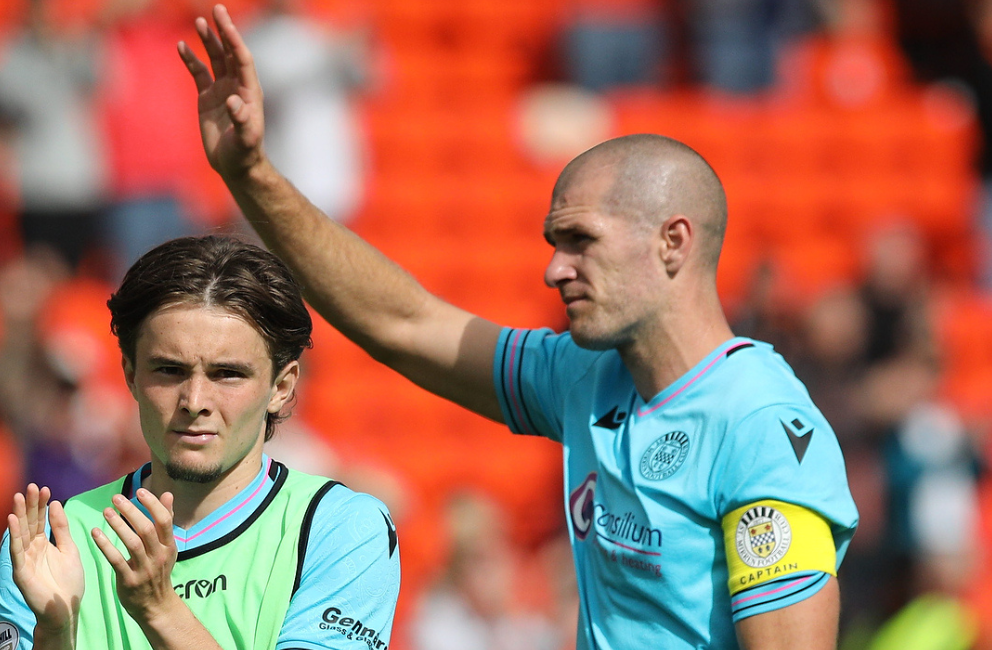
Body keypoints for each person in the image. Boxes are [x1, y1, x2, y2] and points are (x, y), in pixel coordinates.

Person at [176, 6, 858, 649]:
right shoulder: (585, 377)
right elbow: (405, 325)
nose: (554, 270)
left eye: (580, 241)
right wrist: (254, 175)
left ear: (672, 243)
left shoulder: (759, 427)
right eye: (552, 242)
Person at [0, 235, 400, 650]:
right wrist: (56, 635)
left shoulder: (341, 529)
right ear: (130, 375)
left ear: (281, 386)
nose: (195, 402)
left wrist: (159, 608)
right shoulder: (52, 539)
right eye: (169, 370)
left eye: (227, 374)